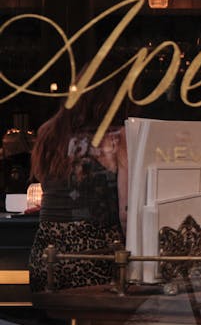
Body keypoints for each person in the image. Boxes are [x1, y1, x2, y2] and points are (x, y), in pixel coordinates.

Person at [27, 84, 128, 292]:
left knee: (52, 323)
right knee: (97, 323)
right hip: (96, 253)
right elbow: (125, 210)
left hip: (46, 254)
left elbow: (47, 184)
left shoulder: (47, 132)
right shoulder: (115, 137)